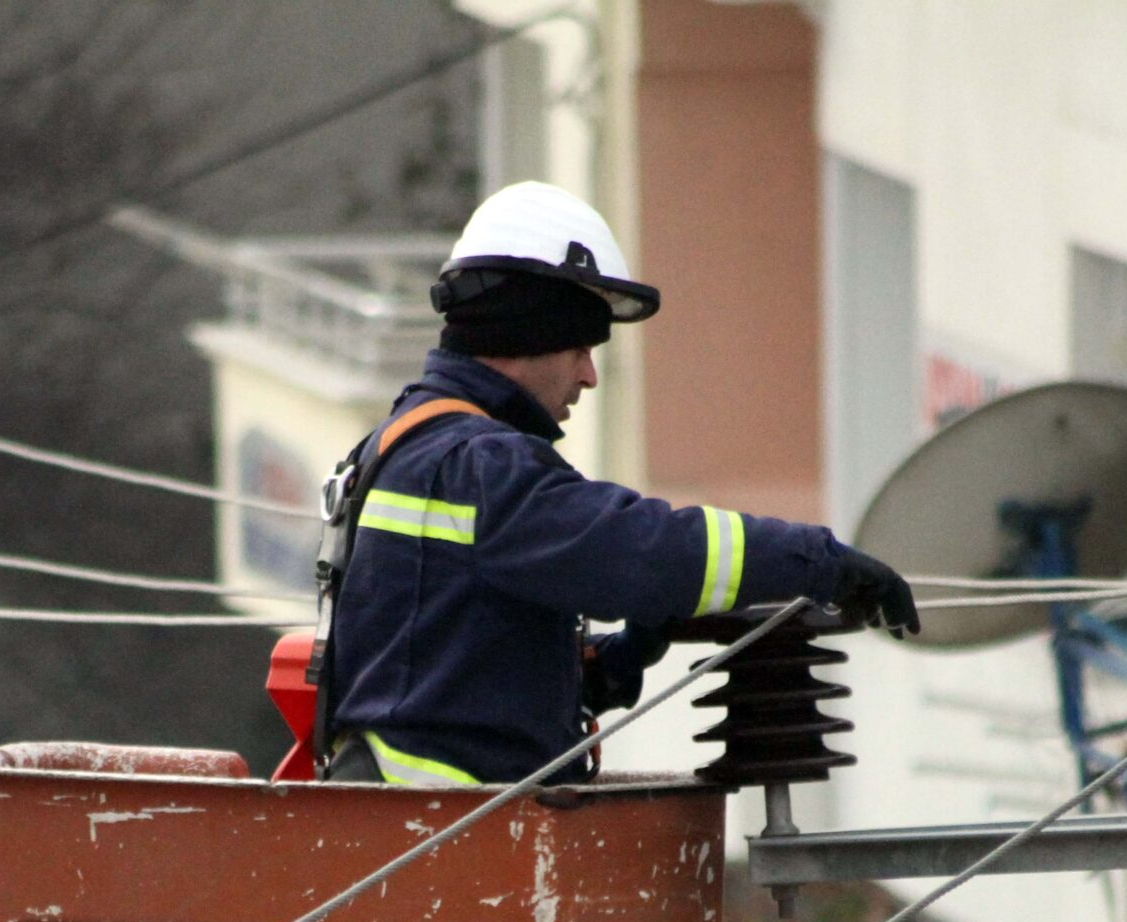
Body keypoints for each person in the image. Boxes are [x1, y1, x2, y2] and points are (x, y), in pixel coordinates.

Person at [315, 181, 916, 787]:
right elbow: (643, 549)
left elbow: (448, 675)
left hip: (416, 829)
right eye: (580, 347)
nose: (589, 375)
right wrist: (813, 560)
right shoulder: (481, 465)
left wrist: (613, 663)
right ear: (527, 332)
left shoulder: (402, 447)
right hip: (450, 837)